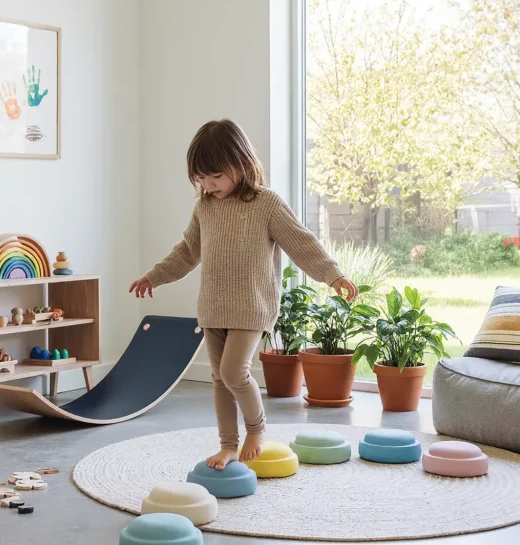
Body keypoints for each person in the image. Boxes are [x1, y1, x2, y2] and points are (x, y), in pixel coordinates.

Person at [131, 120, 357, 469]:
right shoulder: (205, 207)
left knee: (235, 372)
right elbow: (187, 252)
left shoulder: (266, 204)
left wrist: (333, 275)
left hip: (252, 306)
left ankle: (257, 428)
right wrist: (154, 277)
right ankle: (228, 444)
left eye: (216, 176)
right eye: (201, 179)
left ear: (242, 164)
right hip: (213, 306)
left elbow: (301, 243)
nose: (208, 185)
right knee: (219, 378)